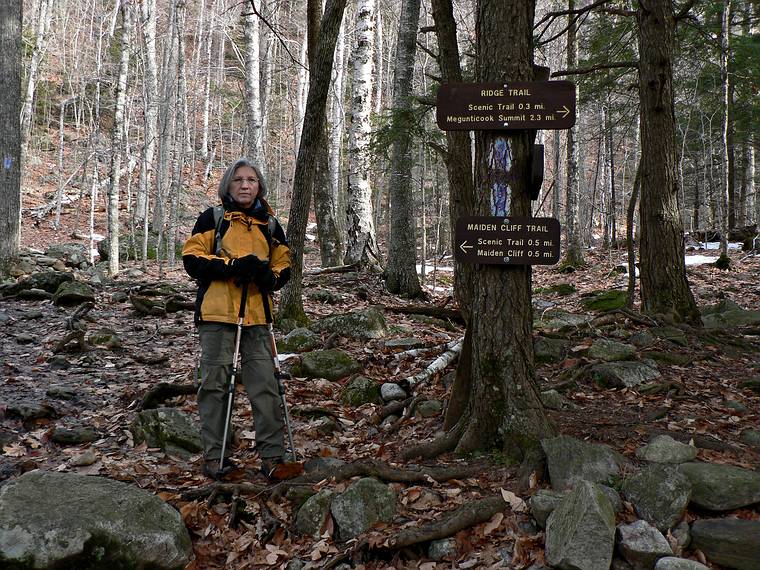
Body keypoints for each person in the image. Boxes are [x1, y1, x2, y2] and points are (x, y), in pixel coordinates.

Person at [182, 158, 291, 480]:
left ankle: (273, 458)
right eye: (238, 180)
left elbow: (283, 264)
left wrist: (267, 277)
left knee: (266, 386)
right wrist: (230, 267)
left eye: (252, 180)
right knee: (215, 385)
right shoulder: (212, 218)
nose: (245, 185)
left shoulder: (270, 225)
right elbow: (192, 258)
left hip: (258, 316)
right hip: (217, 314)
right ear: (228, 185)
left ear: (260, 186)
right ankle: (216, 459)